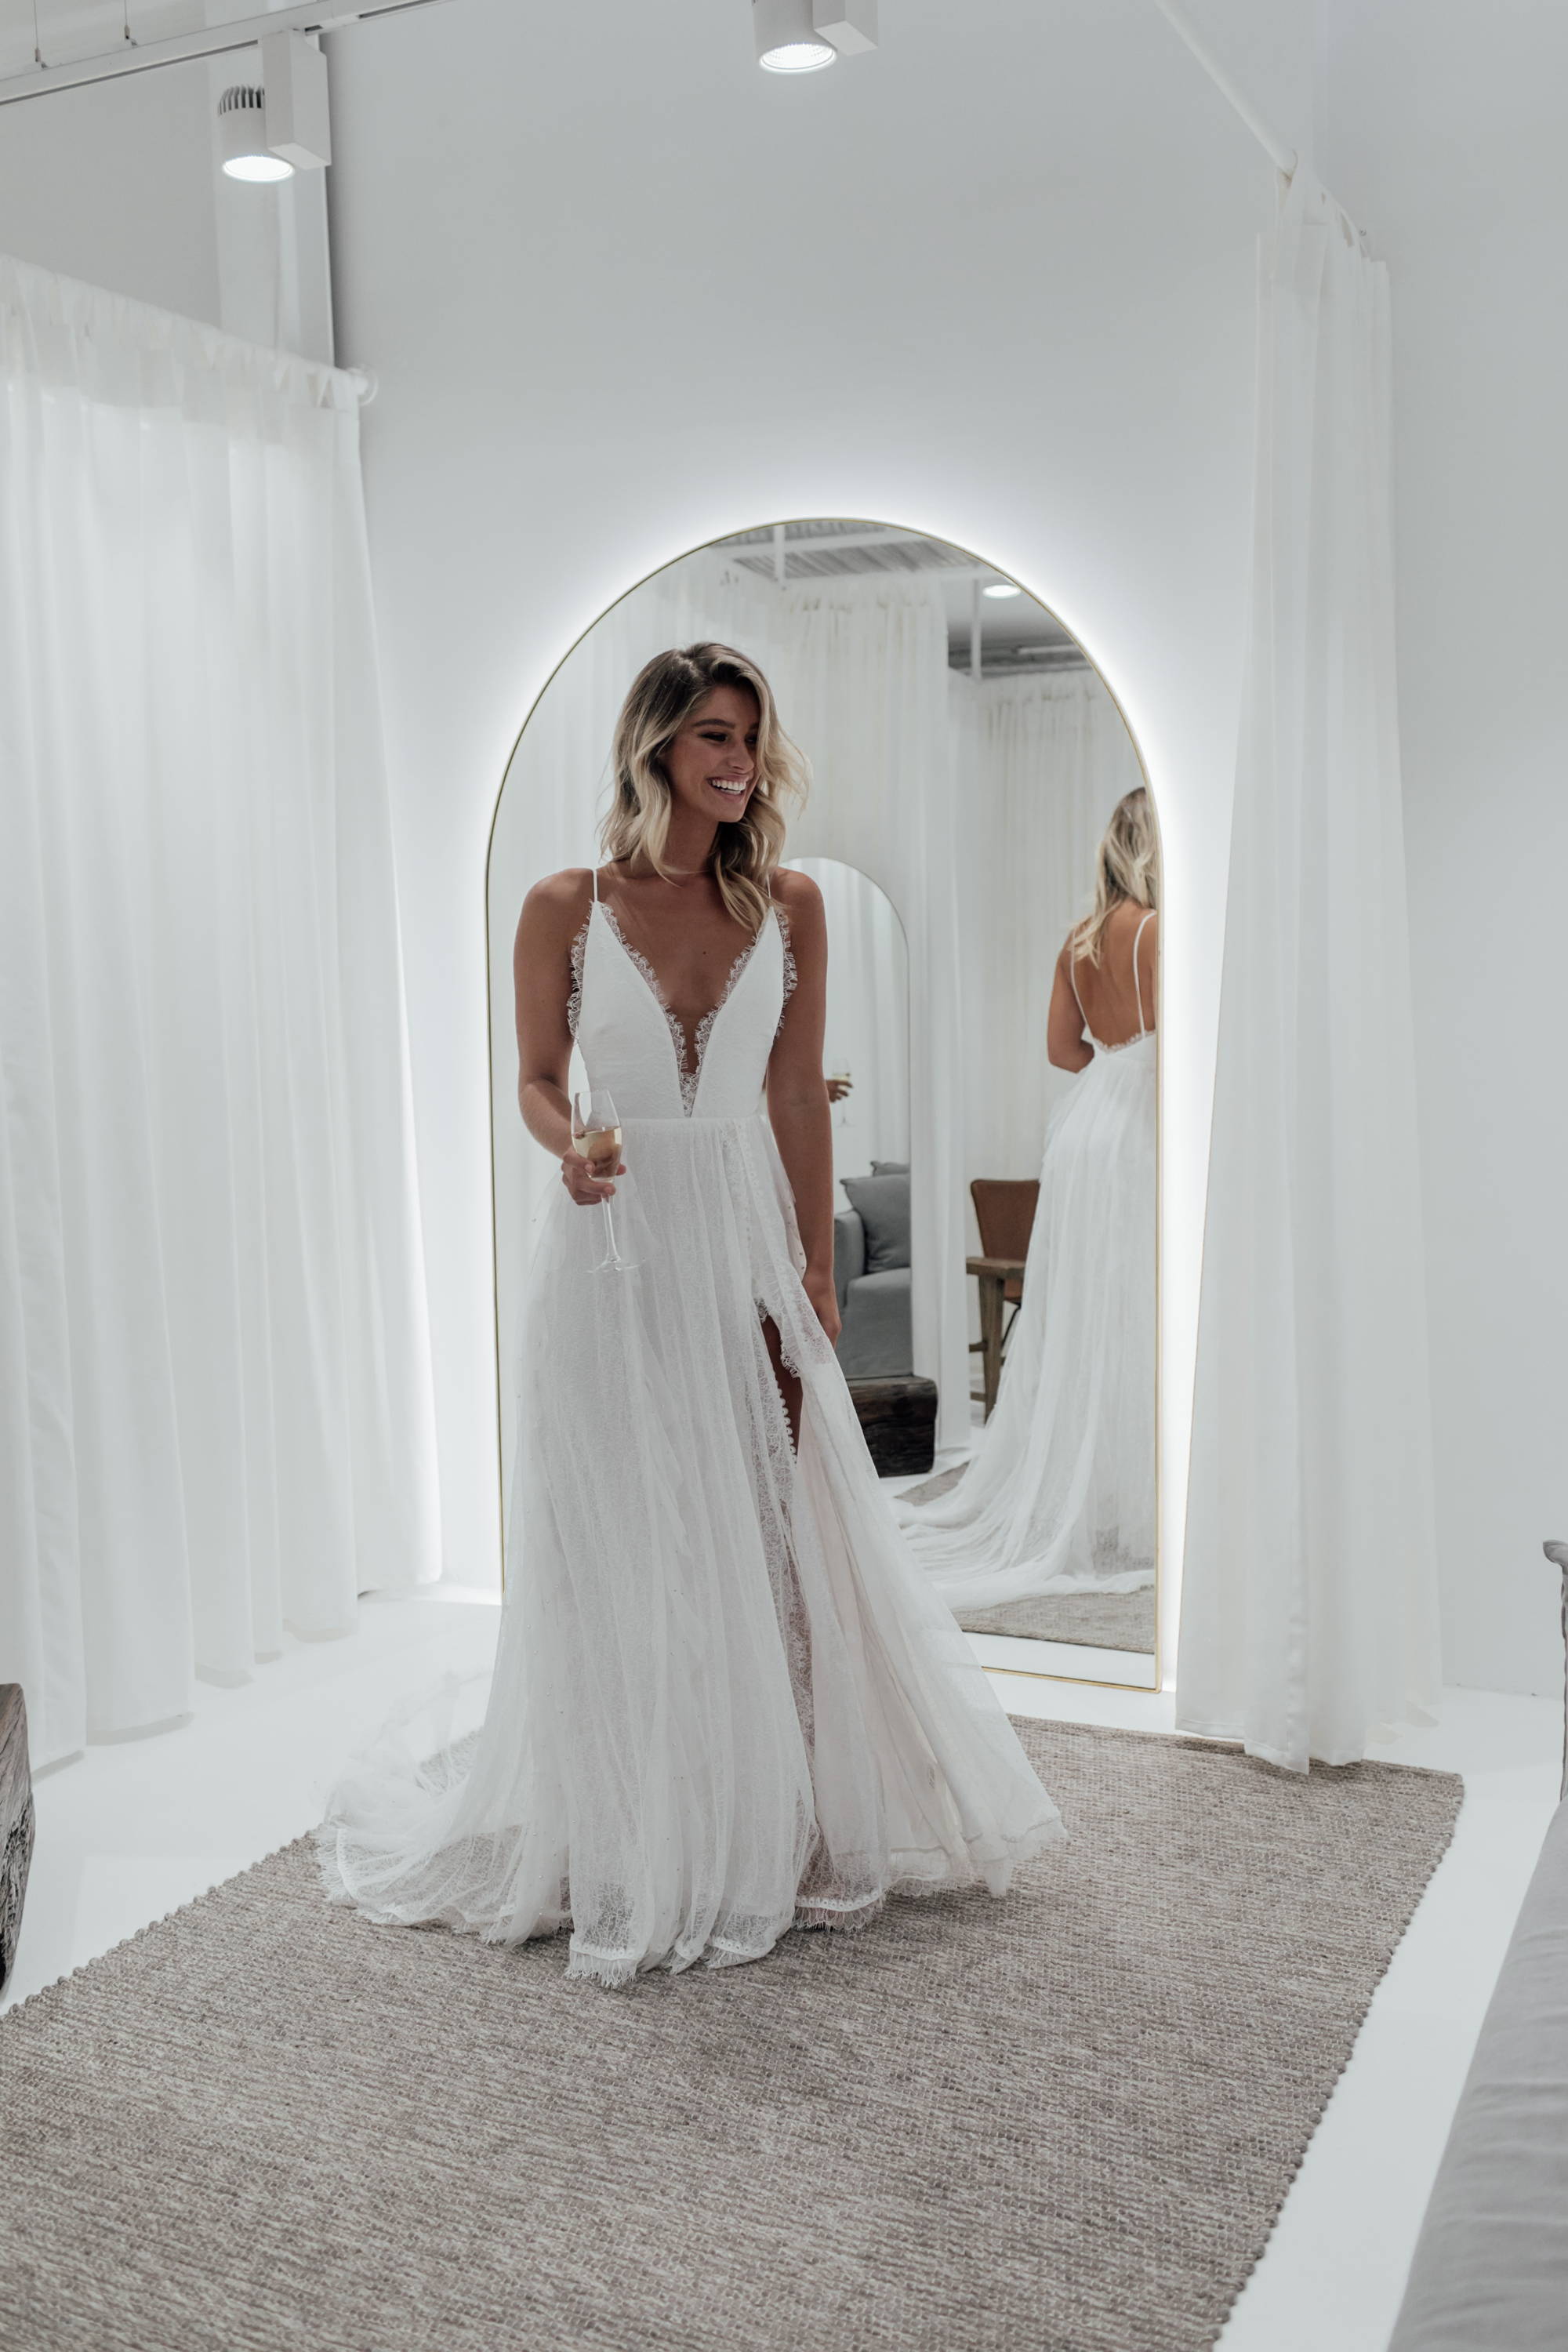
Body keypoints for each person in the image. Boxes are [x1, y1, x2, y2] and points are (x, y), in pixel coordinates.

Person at [314, 642, 1065, 1987]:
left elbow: (788, 1100)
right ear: (655, 743)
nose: (739, 763)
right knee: (623, 1533)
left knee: (773, 1531)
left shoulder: (792, 904)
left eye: (752, 740)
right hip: (607, 1257)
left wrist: (821, 1281)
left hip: (743, 1248)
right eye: (715, 735)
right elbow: (539, 1079)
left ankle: (768, 1819)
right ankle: (624, 1822)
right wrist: (571, 1146)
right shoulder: (561, 901)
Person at [894, 786, 1158, 1609]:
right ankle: (1145, 1500)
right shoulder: (1158, 932)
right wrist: (1143, 1080)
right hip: (1142, 1128)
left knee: (1089, 1309)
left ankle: (1096, 1488)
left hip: (1085, 1133)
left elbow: (1059, 1047)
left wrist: (1114, 1075)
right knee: (1139, 1306)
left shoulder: (1078, 939)